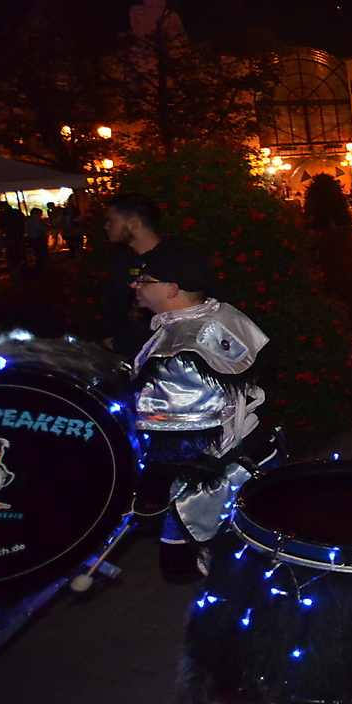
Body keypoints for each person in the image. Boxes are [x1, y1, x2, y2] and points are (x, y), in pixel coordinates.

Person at [131, 245, 280, 581]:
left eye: (144, 279)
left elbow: (178, 441)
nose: (135, 285)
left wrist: (147, 480)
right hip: (257, 452)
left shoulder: (178, 353)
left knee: (191, 568)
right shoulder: (219, 314)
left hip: (217, 479)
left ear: (172, 289)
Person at [101, 192, 189, 359]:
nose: (106, 227)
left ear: (133, 224)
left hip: (168, 356)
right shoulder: (123, 260)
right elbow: (115, 304)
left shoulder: (179, 261)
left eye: (112, 221)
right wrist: (109, 338)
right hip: (127, 355)